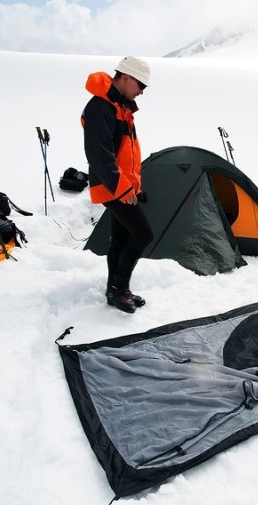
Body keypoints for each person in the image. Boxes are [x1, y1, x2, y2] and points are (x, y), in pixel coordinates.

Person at [81, 56, 154, 313]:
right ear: (125, 77)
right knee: (143, 233)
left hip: (122, 185)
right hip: (112, 186)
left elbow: (127, 153)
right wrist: (123, 188)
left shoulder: (121, 106)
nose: (142, 91)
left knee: (122, 238)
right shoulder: (100, 107)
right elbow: (99, 154)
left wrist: (134, 185)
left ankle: (116, 290)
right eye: (140, 84)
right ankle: (119, 290)